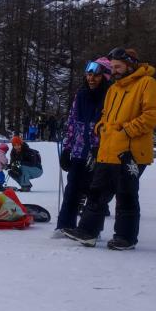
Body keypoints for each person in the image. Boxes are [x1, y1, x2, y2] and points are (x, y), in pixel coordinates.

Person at [63, 48, 156, 250]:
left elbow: (154, 114)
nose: (114, 71)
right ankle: (88, 232)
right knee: (97, 193)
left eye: (118, 66)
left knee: (126, 195)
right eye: (113, 67)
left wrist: (127, 130)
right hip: (107, 150)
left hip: (130, 153)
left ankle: (125, 238)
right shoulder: (114, 89)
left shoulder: (146, 83)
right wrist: (101, 128)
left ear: (130, 65)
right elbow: (106, 114)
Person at [54, 58, 111, 234]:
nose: (91, 78)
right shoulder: (81, 95)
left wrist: (100, 147)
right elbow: (72, 124)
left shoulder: (110, 96)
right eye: (89, 74)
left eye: (96, 75)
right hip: (79, 151)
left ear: (106, 77)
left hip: (99, 153)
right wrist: (67, 149)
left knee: (94, 192)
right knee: (72, 189)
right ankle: (65, 225)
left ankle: (89, 230)